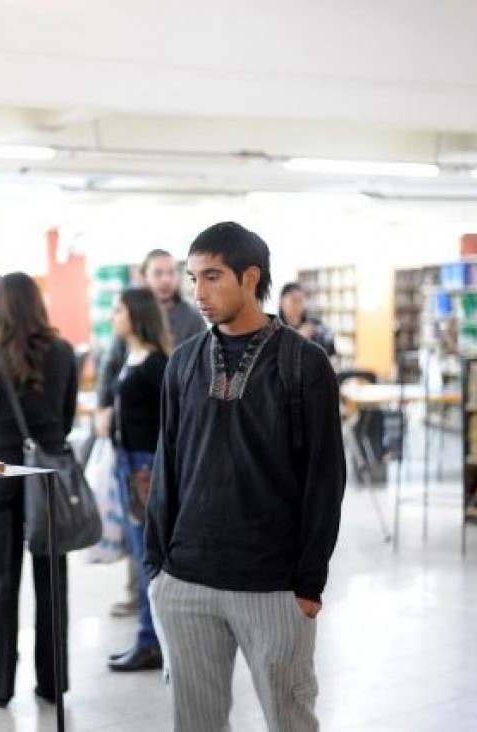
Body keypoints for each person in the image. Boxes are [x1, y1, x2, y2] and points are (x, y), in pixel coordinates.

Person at [146, 222, 346, 732]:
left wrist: (308, 584)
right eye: (194, 278)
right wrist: (157, 569)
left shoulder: (305, 363)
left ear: (250, 277)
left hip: (274, 588)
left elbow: (325, 479)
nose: (199, 292)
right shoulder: (184, 362)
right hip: (186, 583)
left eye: (212, 277)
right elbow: (167, 464)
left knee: (290, 721)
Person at [0, 272, 78, 708]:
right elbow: (66, 416)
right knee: (52, 580)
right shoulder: (65, 352)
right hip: (49, 473)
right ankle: (52, 682)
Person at [96, 248, 204, 617]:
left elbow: (182, 395)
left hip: (149, 455)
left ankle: (154, 623)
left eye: (170, 272)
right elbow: (110, 371)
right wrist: (104, 409)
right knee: (138, 539)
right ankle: (143, 609)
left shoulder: (188, 322)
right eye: (157, 272)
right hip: (131, 453)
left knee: (151, 540)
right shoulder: (128, 348)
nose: (165, 279)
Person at [104, 287, 170, 673]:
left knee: (147, 556)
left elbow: (170, 420)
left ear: (137, 315)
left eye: (118, 310)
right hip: (128, 463)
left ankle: (150, 641)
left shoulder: (156, 363)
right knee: (139, 551)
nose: (113, 316)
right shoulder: (131, 357)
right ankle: (148, 637)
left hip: (145, 467)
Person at [279, 282, 337, 359]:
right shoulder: (274, 328)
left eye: (301, 300)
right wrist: (299, 337)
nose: (298, 305)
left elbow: (331, 352)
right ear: (281, 302)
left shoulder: (315, 326)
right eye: (294, 300)